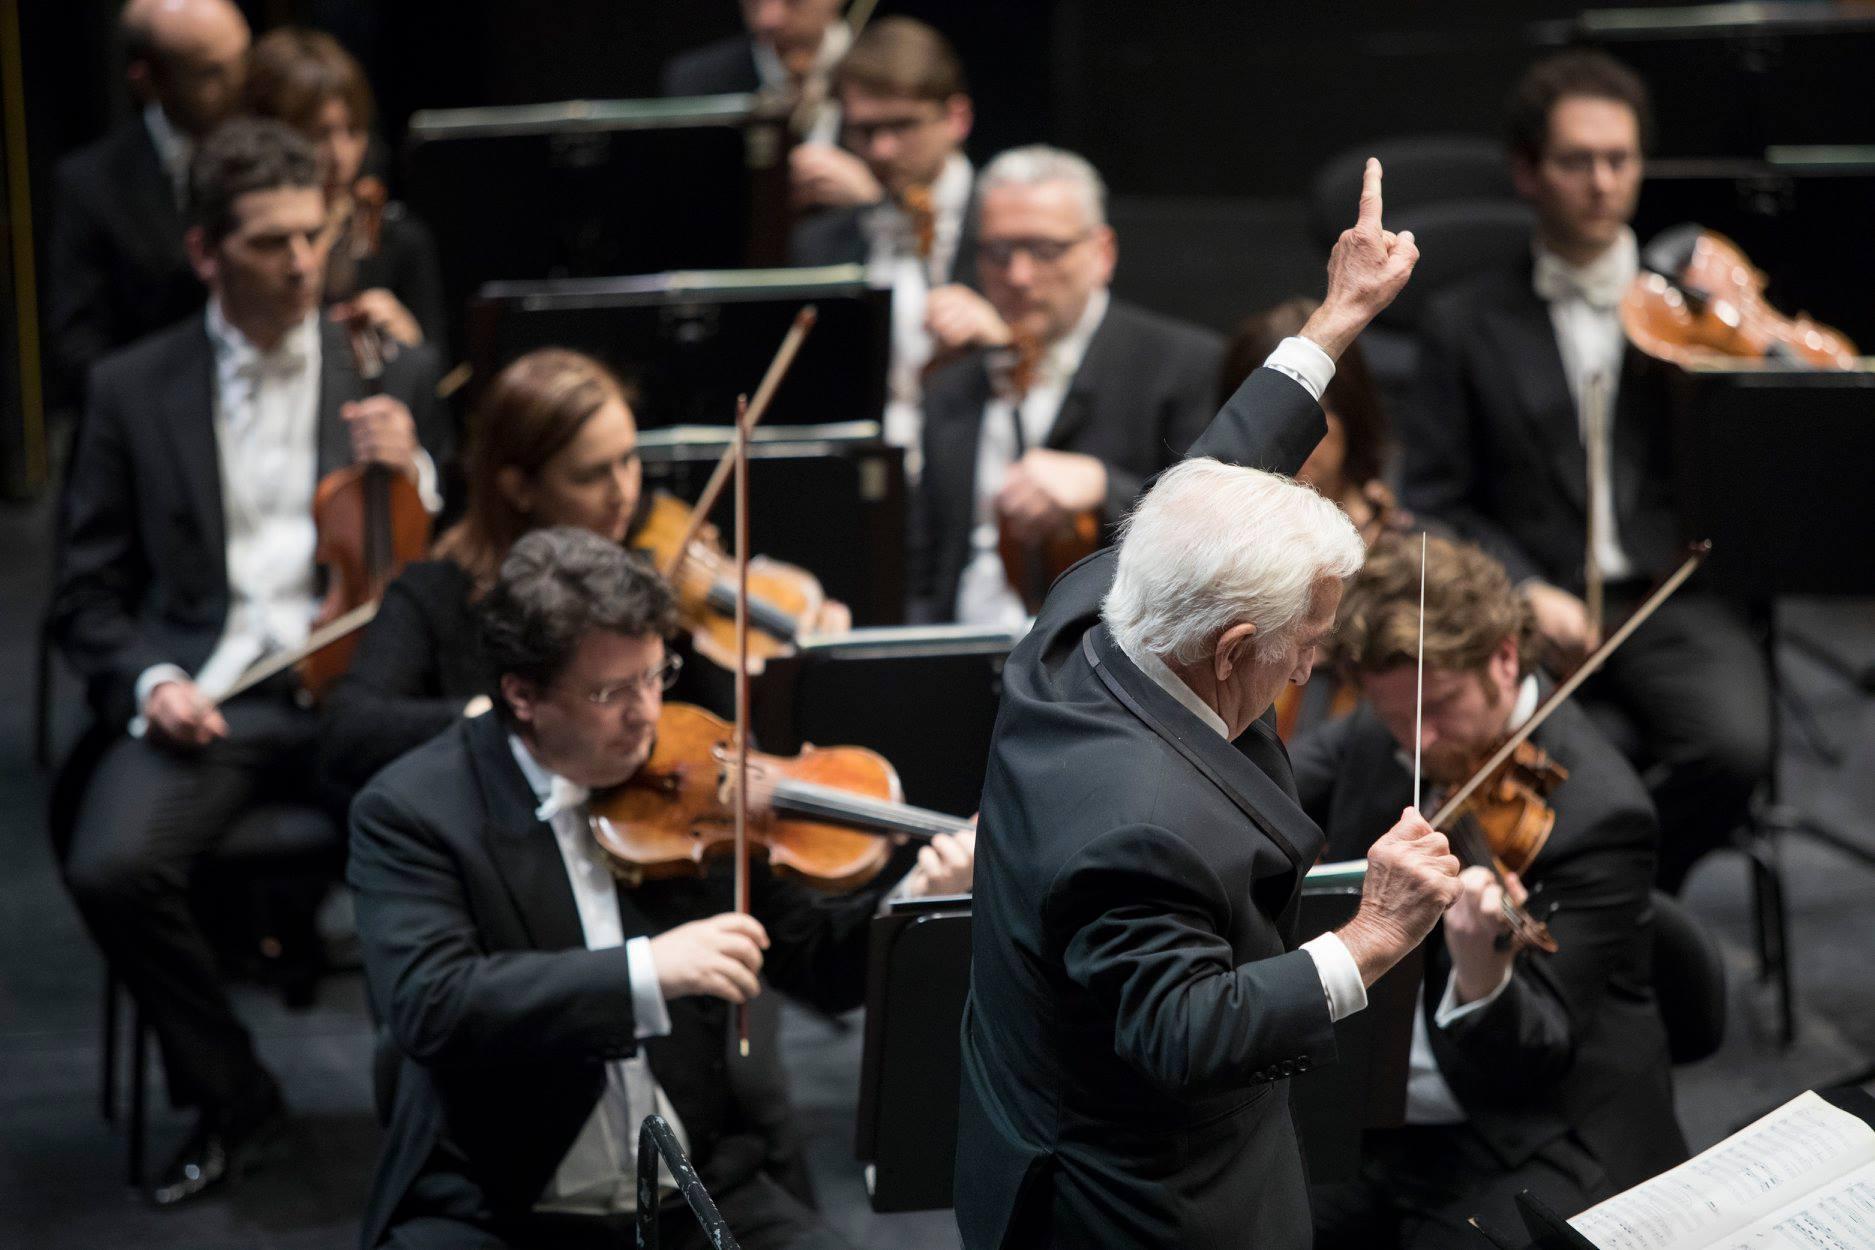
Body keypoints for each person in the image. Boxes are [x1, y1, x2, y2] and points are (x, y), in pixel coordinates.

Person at [956, 160, 1461, 1250]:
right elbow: (1185, 1028)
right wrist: (1371, 939)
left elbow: (1215, 470)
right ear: (1234, 646)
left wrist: (1338, 317)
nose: (1315, 659)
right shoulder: (1136, 826)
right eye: (1305, 641)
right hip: (1142, 1198)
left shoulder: (1096, 604)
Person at [348, 526, 974, 1249]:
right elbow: (434, 1003)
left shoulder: (696, 780)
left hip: (698, 1184)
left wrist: (913, 898)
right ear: (522, 695)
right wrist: (647, 971)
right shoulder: (414, 810)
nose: (647, 714)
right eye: (611, 691)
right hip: (500, 1202)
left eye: (655, 675)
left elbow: (816, 965)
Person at [50, 118, 448, 1207]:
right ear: (205, 253)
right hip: (214, 693)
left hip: (357, 692)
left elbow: (457, 567)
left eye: (314, 237)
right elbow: (83, 595)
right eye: (273, 242)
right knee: (110, 867)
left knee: (467, 832)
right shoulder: (135, 388)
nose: (305, 261)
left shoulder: (391, 366)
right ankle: (237, 1098)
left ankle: (450, 1115)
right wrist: (149, 681)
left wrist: (417, 473)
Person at [1399, 49, 1771, 892]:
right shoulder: (1463, 323)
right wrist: (1523, 585)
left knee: (1733, 747)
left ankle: (1609, 904)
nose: (1603, 182)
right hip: (1534, 606)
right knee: (1523, 774)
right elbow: (1430, 503)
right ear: (1527, 173)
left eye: (1620, 160)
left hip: (1669, 589)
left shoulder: (1695, 318)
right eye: (1577, 161)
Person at [1294, 534, 1686, 1247]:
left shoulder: (1600, 812)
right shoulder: (1401, 720)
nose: (1420, 742)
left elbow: (1537, 1054)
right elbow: (1274, 791)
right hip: (1385, 1105)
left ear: (1505, 657)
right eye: (1396, 718)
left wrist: (1482, 970)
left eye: (1439, 707)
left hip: (1533, 1125)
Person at [319, 346, 846, 800]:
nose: (624, 493)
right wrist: (490, 716)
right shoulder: (436, 594)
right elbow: (349, 729)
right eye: (592, 475)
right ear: (518, 487)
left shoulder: (654, 579)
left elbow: (726, 737)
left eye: (629, 461)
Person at [911, 145, 1226, 626]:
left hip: (1105, 661)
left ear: (1102, 253)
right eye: (997, 252)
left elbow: (1217, 532)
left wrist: (1105, 486)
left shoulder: (1185, 364)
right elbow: (927, 565)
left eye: (1045, 250)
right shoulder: (951, 384)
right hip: (958, 654)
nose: (1018, 276)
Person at [789, 17, 978, 466]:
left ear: (957, 118)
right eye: (866, 131)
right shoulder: (818, 245)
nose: (882, 151)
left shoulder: (1007, 228)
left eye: (903, 126)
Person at [47, 0, 249, 409]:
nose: (239, 85)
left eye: (243, 59)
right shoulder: (91, 183)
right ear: (150, 81)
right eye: (211, 71)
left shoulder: (276, 147)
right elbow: (78, 344)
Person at [244, 26, 448, 354]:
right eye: (319, 134)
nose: (341, 157)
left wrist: (412, 352)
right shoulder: (246, 246)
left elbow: (438, 386)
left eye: (353, 131)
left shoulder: (402, 242)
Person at [660, 0, 848, 141]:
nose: (767, 20)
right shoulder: (696, 79)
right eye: (755, 3)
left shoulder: (874, 65)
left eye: (793, 1)